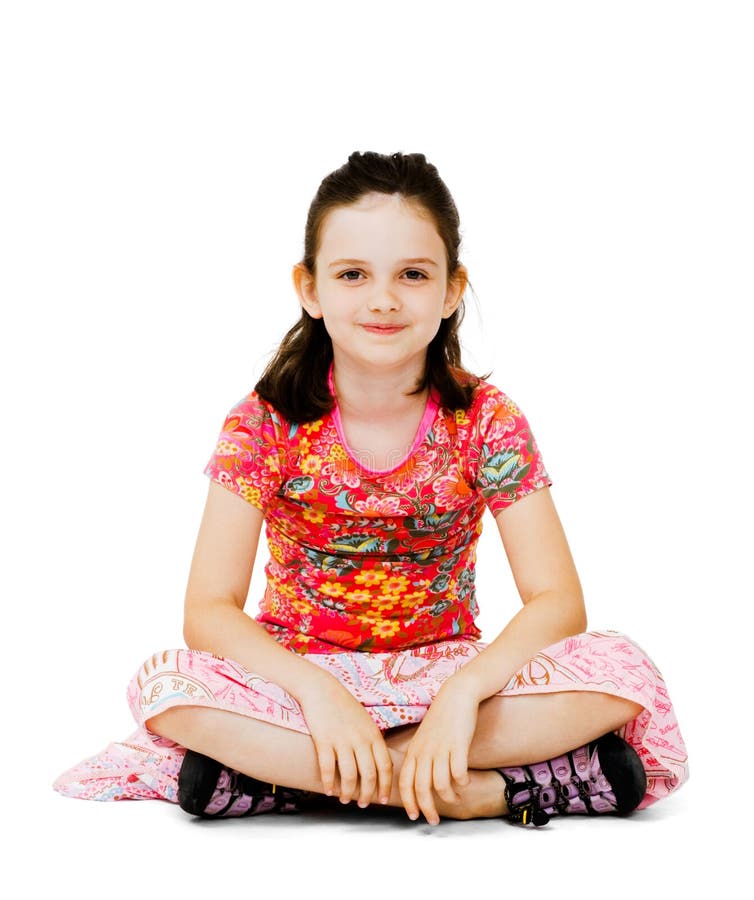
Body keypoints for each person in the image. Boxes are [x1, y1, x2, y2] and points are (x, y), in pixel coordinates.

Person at [54, 150, 689, 827]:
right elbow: (210, 611)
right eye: (353, 274)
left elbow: (557, 602)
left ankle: (283, 782)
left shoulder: (487, 420)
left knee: (624, 669)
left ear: (450, 290)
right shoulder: (261, 423)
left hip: (440, 681)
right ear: (310, 288)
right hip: (298, 688)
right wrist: (319, 693)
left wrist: (464, 695)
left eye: (412, 275)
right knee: (166, 685)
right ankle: (500, 787)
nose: (383, 299)